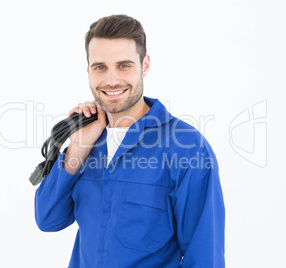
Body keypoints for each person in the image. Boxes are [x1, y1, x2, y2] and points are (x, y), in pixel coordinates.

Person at [34, 14, 225, 267]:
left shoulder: (186, 148)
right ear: (88, 69)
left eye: (124, 65)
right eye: (100, 67)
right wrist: (77, 149)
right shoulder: (87, 141)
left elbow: (204, 256)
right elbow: (48, 219)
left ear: (144, 65)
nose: (111, 80)